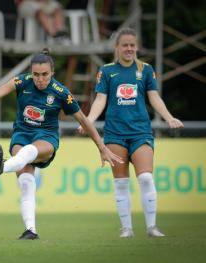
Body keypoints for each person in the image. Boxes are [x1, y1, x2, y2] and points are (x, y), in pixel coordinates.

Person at [0, 48, 123, 240]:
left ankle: (1, 167)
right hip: (22, 133)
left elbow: (84, 120)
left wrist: (102, 147)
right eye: (36, 74)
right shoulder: (21, 82)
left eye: (44, 74)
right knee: (26, 182)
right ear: (31, 73)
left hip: (46, 137)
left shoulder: (61, 93)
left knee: (29, 152)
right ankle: (31, 230)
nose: (40, 79)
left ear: (52, 73)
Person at [78, 28, 184, 238]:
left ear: (137, 47)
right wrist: (88, 121)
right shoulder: (107, 71)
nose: (129, 49)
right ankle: (126, 228)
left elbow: (154, 97)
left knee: (145, 178)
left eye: (132, 45)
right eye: (124, 45)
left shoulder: (145, 69)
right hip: (115, 134)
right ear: (117, 47)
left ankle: (152, 227)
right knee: (121, 182)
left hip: (140, 132)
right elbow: (100, 100)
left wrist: (169, 117)